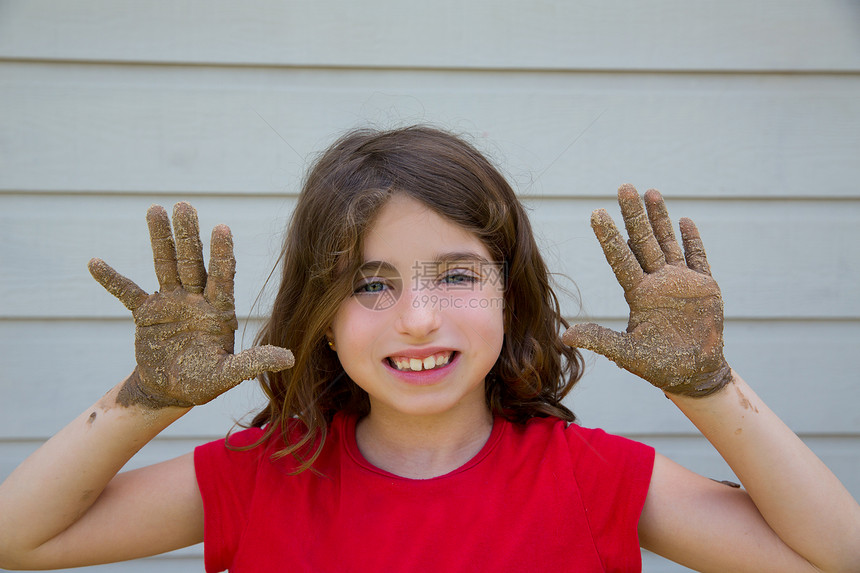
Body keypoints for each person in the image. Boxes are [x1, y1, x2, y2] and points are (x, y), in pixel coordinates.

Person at [0, 126, 858, 572]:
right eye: (369, 284)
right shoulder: (264, 474)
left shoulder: (590, 477)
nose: (416, 318)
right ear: (321, 315)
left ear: (509, 291)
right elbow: (20, 537)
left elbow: (834, 553)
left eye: (455, 275)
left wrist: (711, 385)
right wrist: (146, 398)